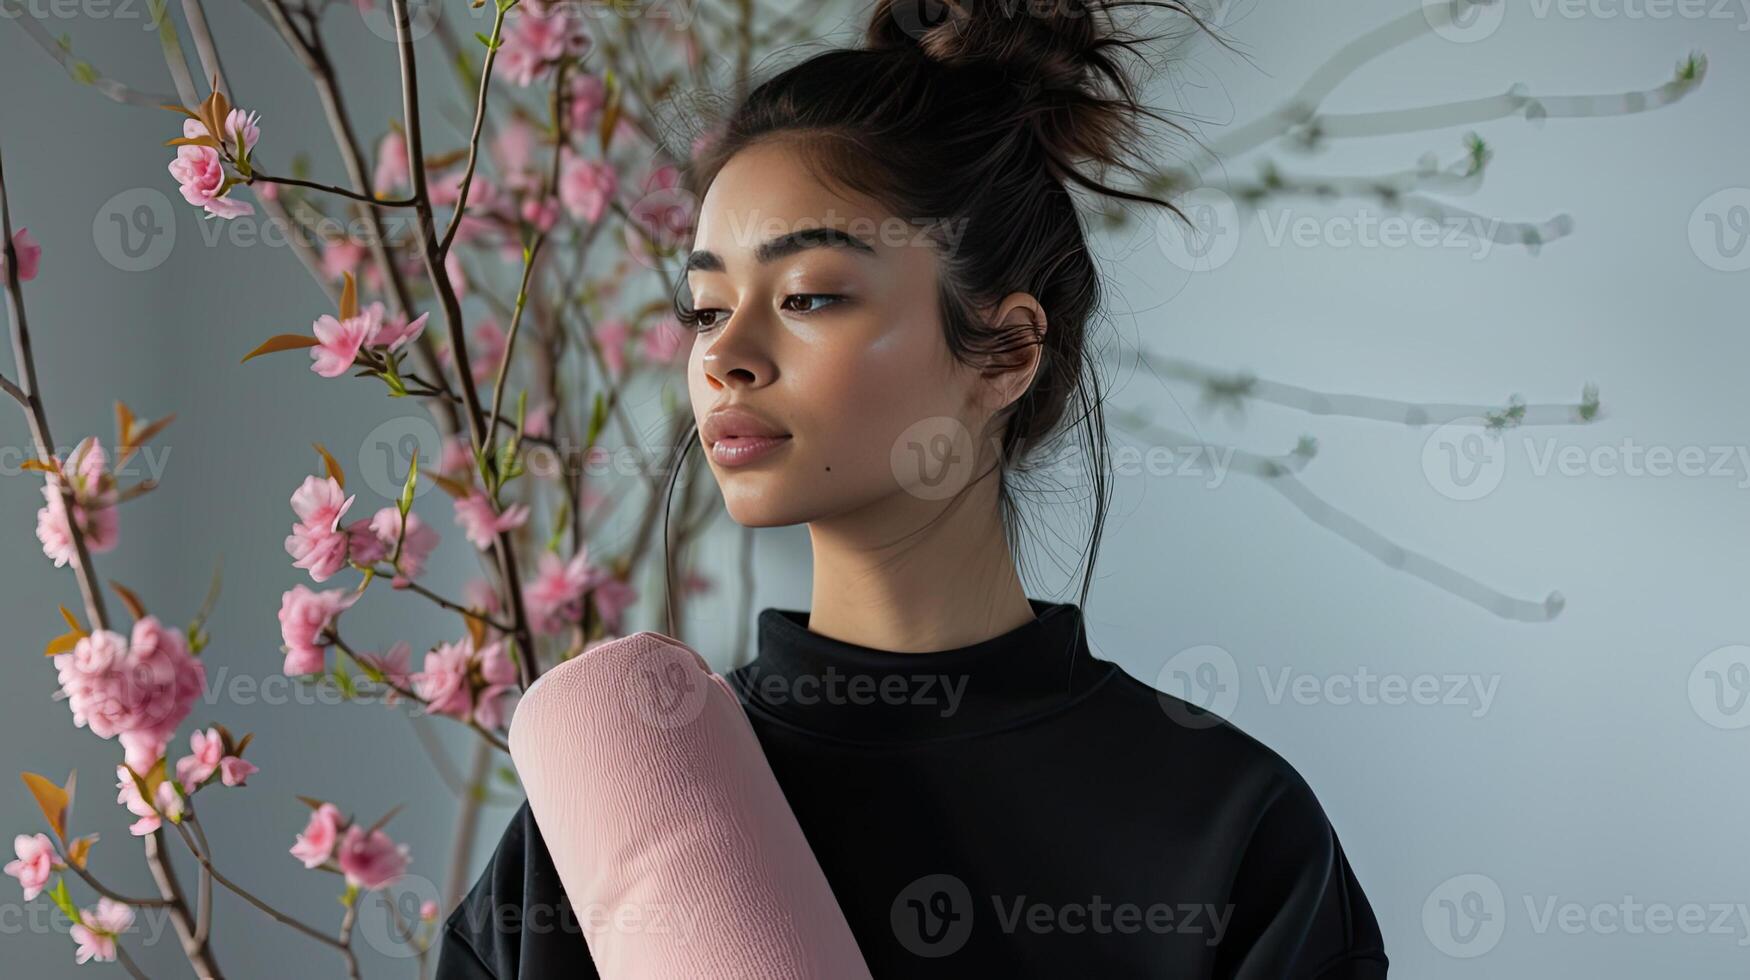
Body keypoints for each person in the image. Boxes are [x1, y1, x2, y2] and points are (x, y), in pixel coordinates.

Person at [437, 0, 1388, 975]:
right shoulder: (618, 801)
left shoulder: (1229, 829)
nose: (724, 353)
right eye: (705, 305)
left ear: (1007, 349)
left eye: (808, 295)